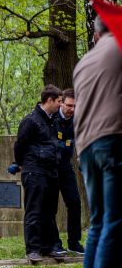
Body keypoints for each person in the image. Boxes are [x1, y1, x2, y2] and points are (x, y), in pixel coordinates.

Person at [73, 14, 122, 268]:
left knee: (98, 224)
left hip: (87, 147)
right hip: (113, 141)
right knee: (115, 222)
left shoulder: (84, 62)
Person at [10, 85, 67, 262]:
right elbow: (20, 146)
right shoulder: (31, 121)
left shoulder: (55, 121)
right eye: (59, 102)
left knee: (50, 211)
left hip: (51, 171)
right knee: (34, 210)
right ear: (49, 100)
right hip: (35, 171)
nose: (60, 106)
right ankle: (33, 249)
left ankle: (51, 246)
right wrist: (22, 164)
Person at [54, 89, 84, 255]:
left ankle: (74, 242)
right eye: (69, 105)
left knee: (74, 202)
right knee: (51, 206)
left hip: (66, 166)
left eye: (75, 106)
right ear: (61, 103)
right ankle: (54, 243)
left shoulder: (77, 121)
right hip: (50, 167)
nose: (71, 109)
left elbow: (81, 141)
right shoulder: (52, 118)